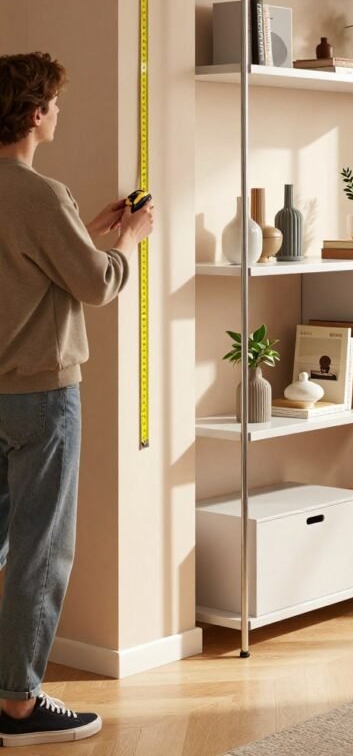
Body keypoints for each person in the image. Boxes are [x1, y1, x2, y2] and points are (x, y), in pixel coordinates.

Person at [0, 52, 154, 746]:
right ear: (35, 115)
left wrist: (85, 236)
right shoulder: (39, 193)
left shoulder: (33, 201)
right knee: (41, 551)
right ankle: (19, 707)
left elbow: (28, 271)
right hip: (41, 398)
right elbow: (94, 287)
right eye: (54, 105)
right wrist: (127, 245)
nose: (58, 114)